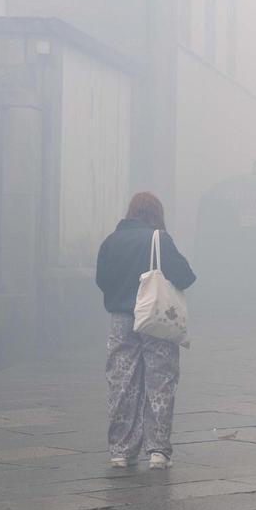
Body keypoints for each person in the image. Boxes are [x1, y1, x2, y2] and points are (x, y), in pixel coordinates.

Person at [95, 192, 196, 469]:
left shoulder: (111, 241)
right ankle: (157, 451)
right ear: (156, 214)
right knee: (160, 380)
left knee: (121, 382)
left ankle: (121, 450)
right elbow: (186, 276)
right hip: (155, 319)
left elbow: (101, 279)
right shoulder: (159, 240)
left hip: (121, 319)